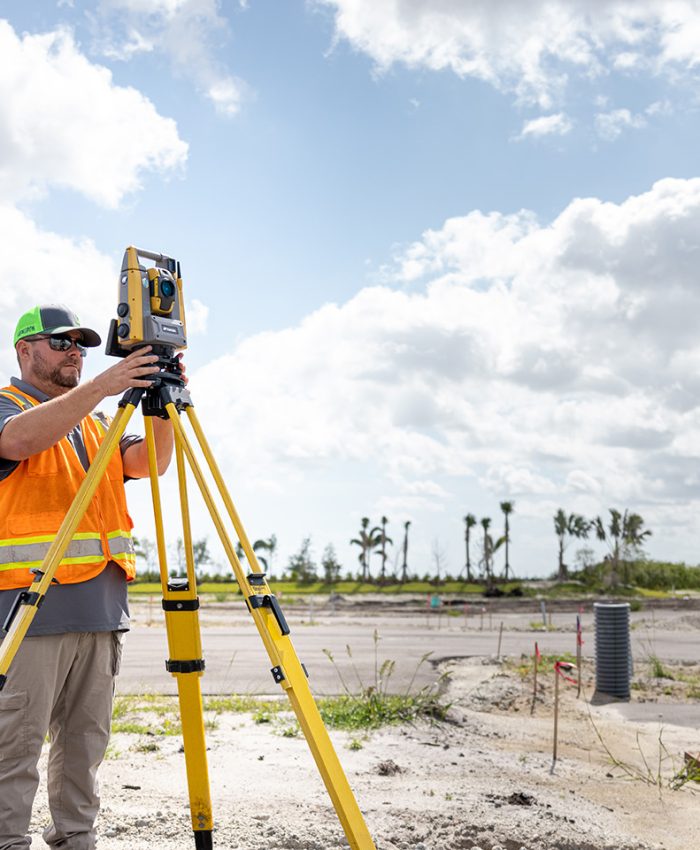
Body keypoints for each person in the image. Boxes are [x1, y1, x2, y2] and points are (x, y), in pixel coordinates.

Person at [0, 304, 179, 850]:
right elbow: (16, 443)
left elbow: (151, 462)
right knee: (16, 742)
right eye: (61, 342)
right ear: (24, 351)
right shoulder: (11, 407)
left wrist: (160, 402)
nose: (75, 351)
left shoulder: (99, 422)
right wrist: (104, 386)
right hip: (27, 608)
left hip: (101, 610)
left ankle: (76, 837)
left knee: (84, 741)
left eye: (81, 344)